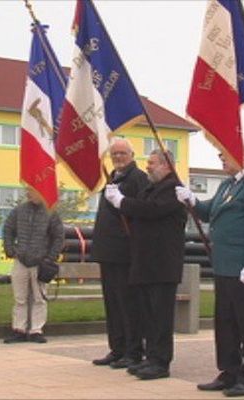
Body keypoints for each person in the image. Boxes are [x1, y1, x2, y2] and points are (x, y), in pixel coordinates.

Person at [176, 142, 244, 397]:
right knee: (226, 322)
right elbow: (209, 213)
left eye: (224, 153)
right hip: (223, 264)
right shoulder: (227, 184)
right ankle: (228, 372)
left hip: (243, 266)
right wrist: (192, 200)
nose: (221, 158)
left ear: (241, 154)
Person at [104, 149, 187, 380]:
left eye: (152, 163)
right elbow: (135, 212)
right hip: (145, 262)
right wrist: (116, 202)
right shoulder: (151, 188)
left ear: (166, 165)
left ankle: (161, 362)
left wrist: (122, 201)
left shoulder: (173, 188)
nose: (147, 166)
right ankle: (150, 357)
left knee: (160, 317)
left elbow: (152, 211)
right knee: (148, 315)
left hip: (162, 264)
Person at [91, 138, 149, 369]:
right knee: (112, 303)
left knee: (128, 304)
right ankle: (117, 348)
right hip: (108, 252)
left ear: (132, 155)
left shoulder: (138, 179)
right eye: (114, 154)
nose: (118, 158)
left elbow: (140, 211)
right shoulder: (112, 178)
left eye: (122, 154)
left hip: (125, 252)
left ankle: (133, 351)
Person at [2, 189, 64, 344]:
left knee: (39, 298)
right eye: (28, 191)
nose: (29, 194)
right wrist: (10, 250)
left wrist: (50, 258)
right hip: (20, 260)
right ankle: (19, 329)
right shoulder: (18, 211)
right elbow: (8, 230)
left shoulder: (51, 213)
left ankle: (36, 330)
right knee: (20, 298)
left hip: (41, 261)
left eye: (32, 191)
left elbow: (58, 237)